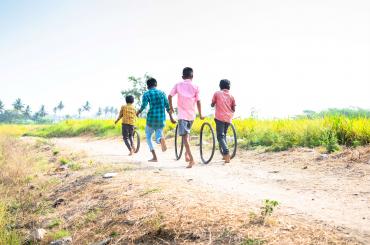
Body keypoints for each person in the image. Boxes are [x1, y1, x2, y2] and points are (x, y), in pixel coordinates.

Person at [168, 67, 204, 168]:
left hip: (182, 115)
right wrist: (200, 114)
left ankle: (192, 159)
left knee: (185, 137)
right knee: (187, 135)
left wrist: (171, 108)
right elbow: (198, 101)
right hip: (191, 115)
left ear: (183, 76)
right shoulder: (196, 86)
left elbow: (170, 96)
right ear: (192, 76)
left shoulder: (178, 84)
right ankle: (186, 154)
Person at [137, 77, 176, 162]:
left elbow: (143, 105)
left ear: (147, 86)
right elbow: (167, 106)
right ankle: (160, 140)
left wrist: (138, 112)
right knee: (158, 136)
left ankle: (155, 157)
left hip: (151, 119)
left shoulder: (147, 94)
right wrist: (172, 118)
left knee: (148, 137)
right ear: (156, 85)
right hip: (161, 119)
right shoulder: (162, 93)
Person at [211, 79, 236, 163]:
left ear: (220, 86)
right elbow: (233, 109)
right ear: (229, 86)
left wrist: (214, 104)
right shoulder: (232, 96)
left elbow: (212, 104)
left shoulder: (217, 93)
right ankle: (225, 155)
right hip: (228, 118)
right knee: (223, 135)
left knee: (220, 136)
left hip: (220, 118)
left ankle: (226, 152)